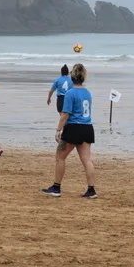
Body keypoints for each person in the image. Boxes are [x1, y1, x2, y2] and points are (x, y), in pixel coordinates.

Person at [42, 63, 97, 199]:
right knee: (87, 160)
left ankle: (56, 187)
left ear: (72, 77)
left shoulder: (70, 93)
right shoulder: (87, 93)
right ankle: (91, 190)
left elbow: (65, 114)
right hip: (87, 128)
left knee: (60, 156)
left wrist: (58, 130)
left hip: (73, 128)